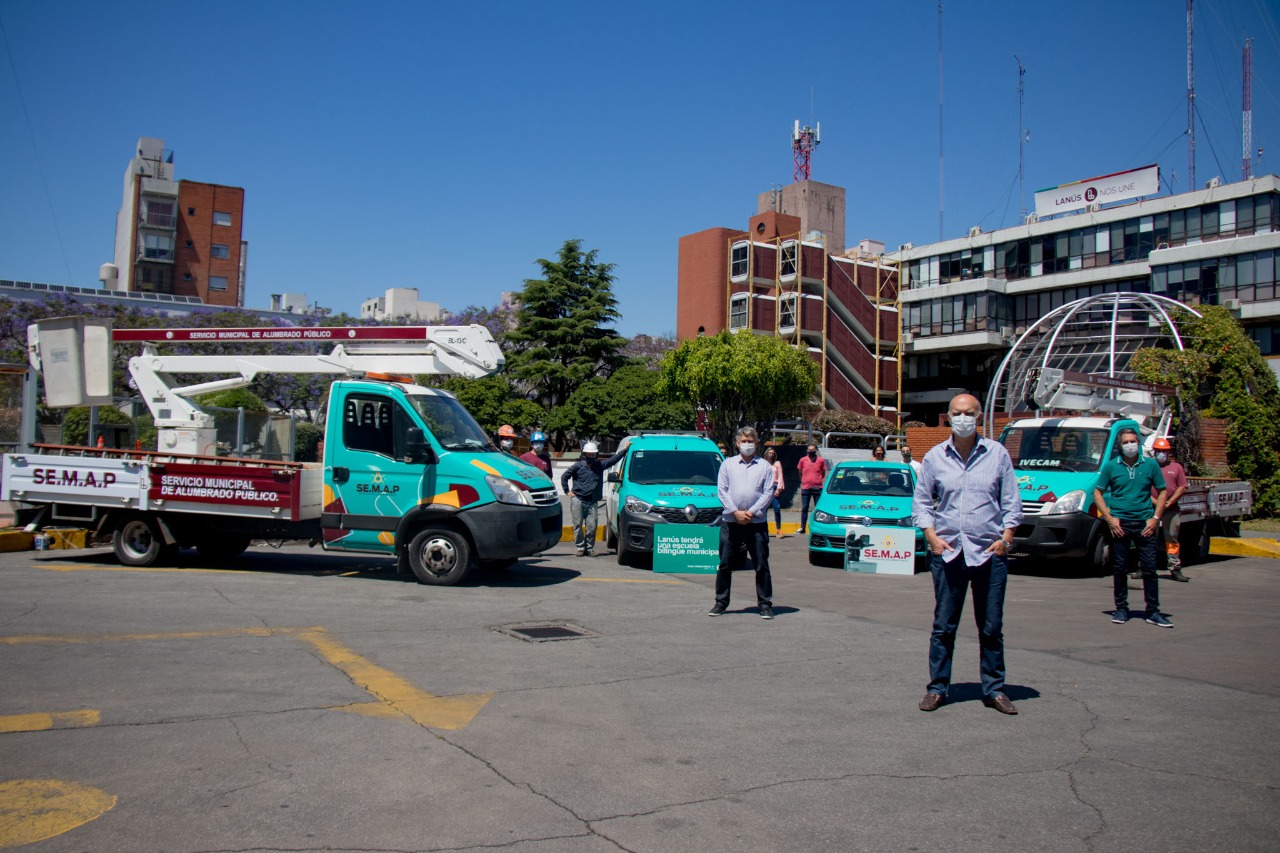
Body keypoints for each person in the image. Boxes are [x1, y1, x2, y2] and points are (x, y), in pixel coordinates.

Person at [912, 393, 1023, 715]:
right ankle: (937, 688)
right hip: (948, 554)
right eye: (958, 413)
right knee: (944, 625)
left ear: (979, 416)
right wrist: (931, 536)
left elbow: (1011, 502)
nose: (963, 418)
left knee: (990, 627)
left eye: (969, 413)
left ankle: (994, 689)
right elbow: (921, 502)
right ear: (949, 416)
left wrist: (1007, 538)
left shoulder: (997, 455)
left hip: (990, 554)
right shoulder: (934, 457)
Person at [1093, 428, 1171, 628]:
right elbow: (1097, 493)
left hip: (1145, 523)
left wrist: (1155, 518)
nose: (1130, 445)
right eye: (1126, 442)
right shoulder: (1111, 467)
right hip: (1120, 524)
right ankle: (1121, 609)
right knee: (1119, 568)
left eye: (1134, 441)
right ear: (1120, 445)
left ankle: (1153, 611)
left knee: (1149, 568)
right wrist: (1110, 519)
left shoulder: (1151, 465)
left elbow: (1162, 491)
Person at [708, 427, 776, 619]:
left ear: (756, 443)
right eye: (744, 441)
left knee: (761, 565)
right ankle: (721, 602)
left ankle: (765, 604)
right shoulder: (727, 465)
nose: (747, 444)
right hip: (731, 522)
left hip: (756, 523)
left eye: (750, 441)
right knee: (725, 564)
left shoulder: (764, 466)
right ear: (737, 443)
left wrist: (752, 512)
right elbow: (722, 491)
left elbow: (768, 492)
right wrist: (735, 512)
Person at [561, 440, 627, 557]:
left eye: (593, 454)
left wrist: (625, 450)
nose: (591, 456)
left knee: (592, 526)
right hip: (578, 500)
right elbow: (564, 476)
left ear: (595, 455)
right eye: (588, 454)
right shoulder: (577, 466)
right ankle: (580, 547)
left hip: (592, 501)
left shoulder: (599, 465)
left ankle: (590, 548)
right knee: (578, 525)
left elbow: (613, 460)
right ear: (584, 454)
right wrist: (567, 491)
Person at [1153, 437, 1189, 582]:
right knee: (1147, 538)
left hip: (1171, 508)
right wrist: (1157, 503)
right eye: (1158, 451)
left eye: (1164, 451)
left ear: (1168, 453)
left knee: (1172, 538)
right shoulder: (1149, 467)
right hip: (1151, 508)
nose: (1161, 454)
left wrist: (1169, 502)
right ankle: (1144, 567)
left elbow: (1182, 487)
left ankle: (1174, 568)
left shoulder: (1176, 468)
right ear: (1154, 452)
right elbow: (1142, 488)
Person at [796, 444, 828, 534]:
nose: (811, 451)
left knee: (818, 509)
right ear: (807, 450)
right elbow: (800, 472)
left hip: (818, 488)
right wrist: (804, 480)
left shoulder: (820, 460)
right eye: (809, 449)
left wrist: (817, 480)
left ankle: (818, 527)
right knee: (805, 507)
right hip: (806, 487)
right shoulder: (802, 460)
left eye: (813, 449)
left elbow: (823, 472)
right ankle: (802, 527)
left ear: (816, 450)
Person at [764, 446, 785, 538]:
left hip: (774, 486)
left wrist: (779, 489)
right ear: (766, 454)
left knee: (777, 509)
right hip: (765, 488)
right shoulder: (763, 463)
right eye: (769, 453)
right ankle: (764, 530)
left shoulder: (777, 463)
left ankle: (779, 529)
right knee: (764, 510)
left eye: (772, 453)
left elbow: (780, 476)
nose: (771, 455)